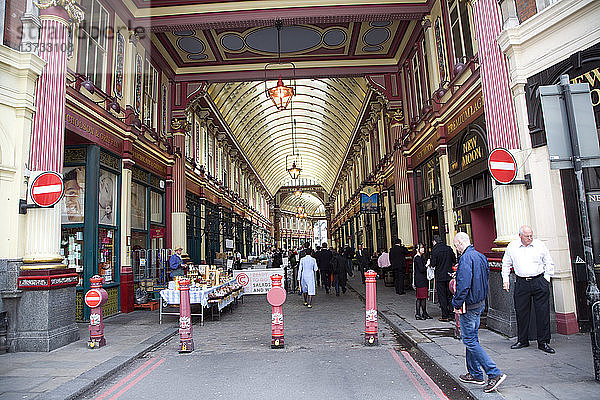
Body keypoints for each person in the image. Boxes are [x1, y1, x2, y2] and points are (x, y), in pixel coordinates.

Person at [452, 232, 506, 393]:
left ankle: (493, 373)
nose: (457, 249)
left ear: (461, 243)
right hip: (480, 302)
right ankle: (475, 373)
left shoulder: (466, 259)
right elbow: (485, 277)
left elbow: (464, 284)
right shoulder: (481, 256)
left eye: (456, 245)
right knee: (472, 339)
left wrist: (456, 302)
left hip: (469, 304)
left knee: (469, 340)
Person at [502, 225, 555, 354]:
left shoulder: (539, 245)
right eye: (527, 236)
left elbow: (549, 262)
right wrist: (505, 280)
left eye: (531, 235)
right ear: (520, 236)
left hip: (539, 280)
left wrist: (546, 278)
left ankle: (543, 342)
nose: (530, 238)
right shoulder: (512, 247)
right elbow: (506, 263)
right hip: (521, 282)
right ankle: (522, 340)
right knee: (521, 312)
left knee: (542, 312)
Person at [431, 234, 457, 321]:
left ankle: (445, 315)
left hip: (440, 276)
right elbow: (454, 259)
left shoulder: (435, 250)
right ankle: (452, 313)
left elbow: (433, 264)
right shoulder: (448, 249)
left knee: (442, 295)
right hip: (449, 275)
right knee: (450, 294)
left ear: (434, 242)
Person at [413, 243, 431, 320]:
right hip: (420, 280)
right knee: (420, 297)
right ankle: (418, 313)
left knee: (422, 297)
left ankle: (424, 312)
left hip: (421, 279)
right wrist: (427, 265)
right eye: (421, 248)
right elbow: (421, 269)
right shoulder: (417, 258)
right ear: (417, 249)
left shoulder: (419, 257)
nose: (423, 249)